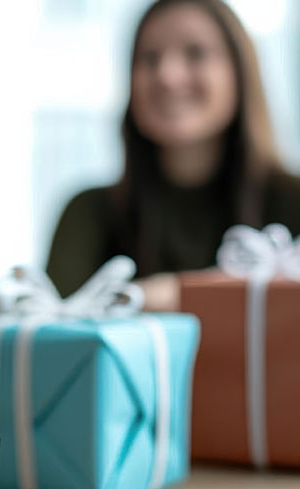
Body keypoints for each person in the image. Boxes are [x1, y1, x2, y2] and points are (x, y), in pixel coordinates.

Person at [46, 0, 300, 308]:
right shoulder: (89, 212)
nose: (167, 75)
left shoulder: (292, 202)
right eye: (149, 59)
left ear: (240, 73)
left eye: (196, 53)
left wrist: (164, 294)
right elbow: (52, 335)